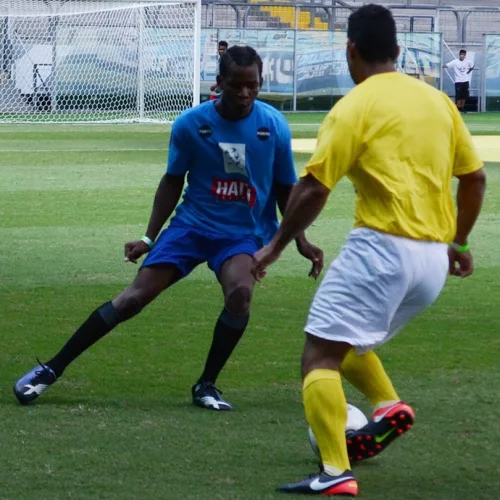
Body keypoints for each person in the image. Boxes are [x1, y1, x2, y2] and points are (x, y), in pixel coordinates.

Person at [252, 4, 485, 497]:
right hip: (432, 263)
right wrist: (460, 242)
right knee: (352, 342)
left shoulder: (353, 106)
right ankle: (386, 407)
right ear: (399, 51)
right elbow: (475, 177)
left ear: (350, 50)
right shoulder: (437, 101)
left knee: (318, 354)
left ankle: (335, 472)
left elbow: (314, 189)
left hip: (381, 248)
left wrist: (274, 246)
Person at [14, 45, 324, 412]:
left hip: (242, 233)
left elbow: (285, 187)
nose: (244, 94)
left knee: (240, 291)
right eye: (236, 85)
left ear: (260, 84)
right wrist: (149, 237)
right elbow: (172, 181)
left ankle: (207, 385)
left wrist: (299, 239)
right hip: (191, 226)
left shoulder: (273, 126)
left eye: (252, 86)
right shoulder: (191, 124)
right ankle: (50, 368)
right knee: (133, 298)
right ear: (219, 82)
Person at [443, 49, 474, 113]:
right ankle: (458, 107)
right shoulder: (455, 62)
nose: (462, 56)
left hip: (465, 80)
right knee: (458, 95)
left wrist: (468, 72)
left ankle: (462, 107)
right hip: (458, 81)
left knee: (464, 95)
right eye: (461, 54)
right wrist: (441, 65)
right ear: (459, 55)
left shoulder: (468, 62)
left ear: (465, 56)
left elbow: (472, 66)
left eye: (464, 55)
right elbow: (447, 65)